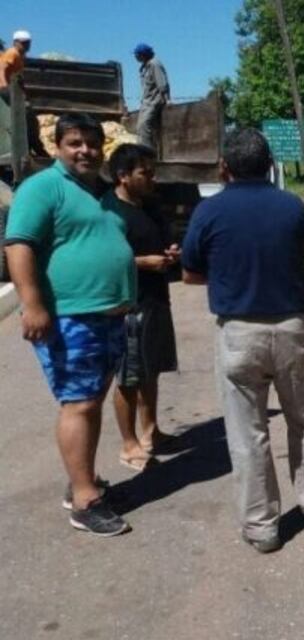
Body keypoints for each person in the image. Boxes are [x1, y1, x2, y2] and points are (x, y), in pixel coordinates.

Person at [181, 127, 304, 554]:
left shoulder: (209, 212)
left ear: (224, 167)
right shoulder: (293, 207)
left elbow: (191, 272)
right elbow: (292, 259)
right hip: (291, 325)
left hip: (239, 331)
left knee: (247, 432)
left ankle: (262, 526)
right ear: (270, 165)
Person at [4, 113, 136, 537]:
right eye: (75, 142)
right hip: (70, 317)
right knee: (78, 403)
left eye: (92, 143)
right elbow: (19, 244)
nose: (85, 151)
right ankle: (84, 501)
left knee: (90, 400)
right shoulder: (43, 188)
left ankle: (82, 481)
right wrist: (33, 304)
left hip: (109, 315)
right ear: (56, 147)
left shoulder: (103, 192)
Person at [104, 143, 180, 471]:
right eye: (144, 173)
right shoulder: (108, 212)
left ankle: (151, 431)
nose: (152, 178)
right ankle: (129, 443)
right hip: (128, 305)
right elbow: (102, 261)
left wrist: (170, 252)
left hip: (156, 299)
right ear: (122, 176)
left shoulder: (149, 205)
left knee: (151, 369)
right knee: (129, 376)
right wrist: (143, 263)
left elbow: (163, 240)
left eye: (152, 171)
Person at [0, 30, 50, 158]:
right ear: (16, 42)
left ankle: (32, 147)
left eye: (28, 43)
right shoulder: (13, 53)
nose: (26, 45)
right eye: (23, 43)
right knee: (26, 114)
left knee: (27, 117)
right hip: (5, 89)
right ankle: (34, 147)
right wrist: (4, 87)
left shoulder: (20, 56)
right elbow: (2, 68)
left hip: (13, 89)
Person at [133, 43, 169, 150]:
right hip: (146, 102)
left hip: (153, 101)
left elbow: (162, 84)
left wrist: (167, 99)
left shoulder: (155, 64)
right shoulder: (145, 67)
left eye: (137, 55)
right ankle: (143, 150)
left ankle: (146, 154)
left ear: (143, 55)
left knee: (144, 126)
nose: (136, 57)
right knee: (140, 128)